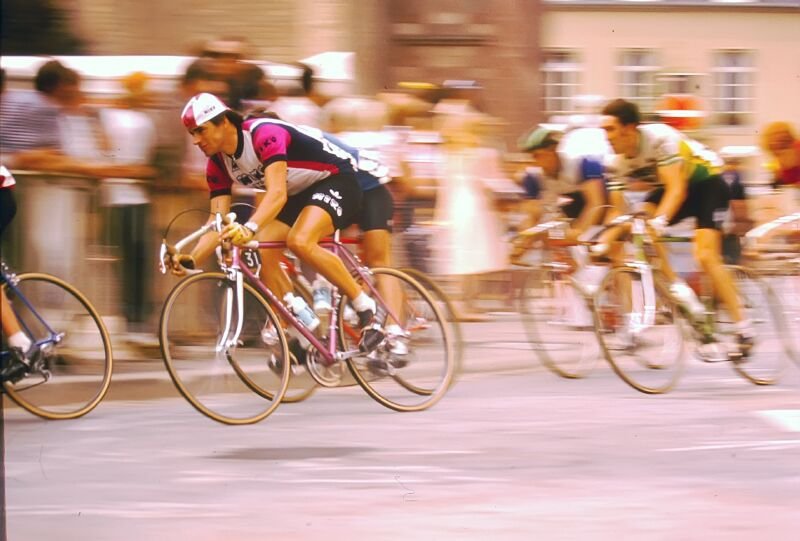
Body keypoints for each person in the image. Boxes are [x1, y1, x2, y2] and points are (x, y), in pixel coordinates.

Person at [167, 92, 383, 352]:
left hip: (337, 179)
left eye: (201, 130)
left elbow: (277, 193)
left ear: (223, 122)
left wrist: (249, 228)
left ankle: (366, 308)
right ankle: (299, 332)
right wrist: (191, 260)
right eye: (192, 133)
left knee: (300, 241)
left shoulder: (263, 134)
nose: (195, 140)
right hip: (299, 193)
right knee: (263, 249)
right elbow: (217, 221)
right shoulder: (217, 164)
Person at [598, 98, 752, 355]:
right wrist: (605, 239)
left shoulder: (660, 138)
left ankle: (744, 328)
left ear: (630, 128)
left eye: (610, 129)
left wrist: (659, 222)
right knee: (640, 222)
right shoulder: (614, 161)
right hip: (670, 189)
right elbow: (616, 210)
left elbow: (677, 189)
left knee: (705, 256)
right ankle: (681, 293)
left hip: (706, 184)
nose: (607, 136)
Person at [512, 126, 608, 261]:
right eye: (531, 157)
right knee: (551, 235)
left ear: (552, 150)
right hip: (571, 208)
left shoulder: (583, 163)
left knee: (594, 249)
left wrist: (579, 233)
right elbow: (532, 216)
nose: (535, 162)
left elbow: (596, 203)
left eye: (537, 155)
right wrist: (521, 245)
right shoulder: (533, 177)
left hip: (601, 208)